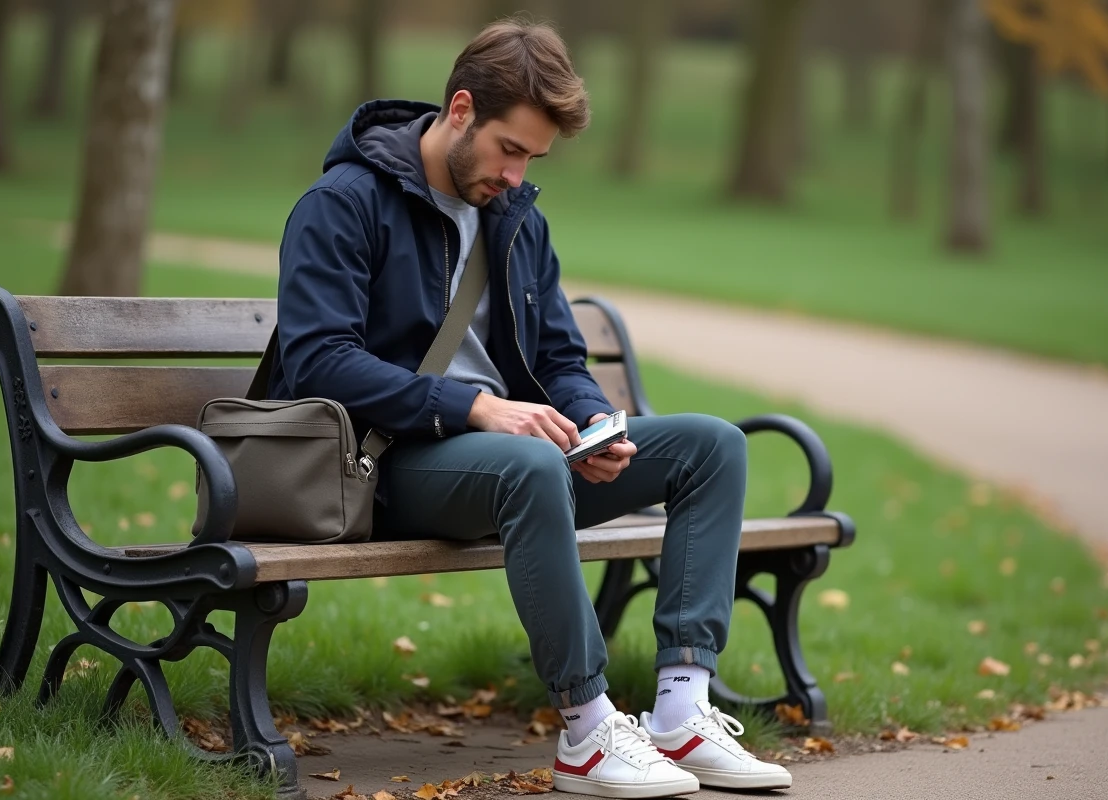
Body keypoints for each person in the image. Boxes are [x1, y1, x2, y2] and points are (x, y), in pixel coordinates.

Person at [268, 18, 792, 798]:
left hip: (515, 461)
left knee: (713, 446)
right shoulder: (344, 204)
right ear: (460, 110)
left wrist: (592, 423)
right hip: (380, 466)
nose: (516, 176)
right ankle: (586, 731)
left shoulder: (517, 219)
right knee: (527, 463)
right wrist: (474, 405)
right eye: (509, 149)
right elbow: (319, 361)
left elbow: (557, 358)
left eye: (533, 159)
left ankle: (682, 712)